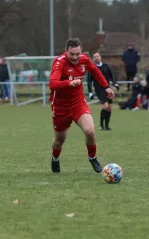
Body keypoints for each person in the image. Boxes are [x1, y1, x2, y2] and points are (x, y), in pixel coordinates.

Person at [48, 37, 115, 174]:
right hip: (60, 106)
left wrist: (106, 87)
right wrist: (68, 83)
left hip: (78, 103)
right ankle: (55, 158)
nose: (75, 57)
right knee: (59, 140)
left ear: (81, 51)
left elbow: (96, 71)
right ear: (66, 52)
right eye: (72, 54)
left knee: (90, 131)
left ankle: (92, 157)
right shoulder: (59, 62)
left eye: (77, 54)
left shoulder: (84, 59)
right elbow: (52, 84)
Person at [88, 52, 119, 131]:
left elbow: (111, 76)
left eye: (97, 56)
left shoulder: (106, 66)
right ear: (93, 59)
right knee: (105, 106)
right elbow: (89, 81)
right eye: (94, 57)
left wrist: (115, 84)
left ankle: (107, 126)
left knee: (109, 108)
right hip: (99, 89)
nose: (96, 58)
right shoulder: (92, 68)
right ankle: (101, 125)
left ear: (100, 57)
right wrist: (90, 92)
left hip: (108, 89)